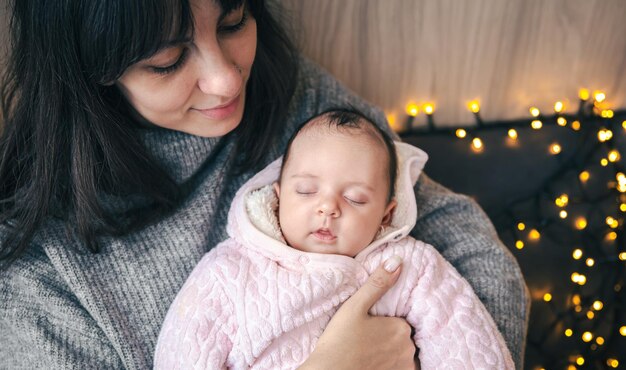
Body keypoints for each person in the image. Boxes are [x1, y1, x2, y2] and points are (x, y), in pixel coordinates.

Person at [0, 0, 529, 369]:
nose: (227, 79)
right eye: (167, 60)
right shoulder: (37, 274)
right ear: (87, 69)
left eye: (232, 21)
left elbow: (464, 243)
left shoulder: (295, 98)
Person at [153, 109, 516, 369]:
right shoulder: (229, 271)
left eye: (356, 198)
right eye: (307, 191)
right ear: (278, 198)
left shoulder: (407, 267)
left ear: (386, 215)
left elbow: (463, 339)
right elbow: (184, 352)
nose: (328, 208)